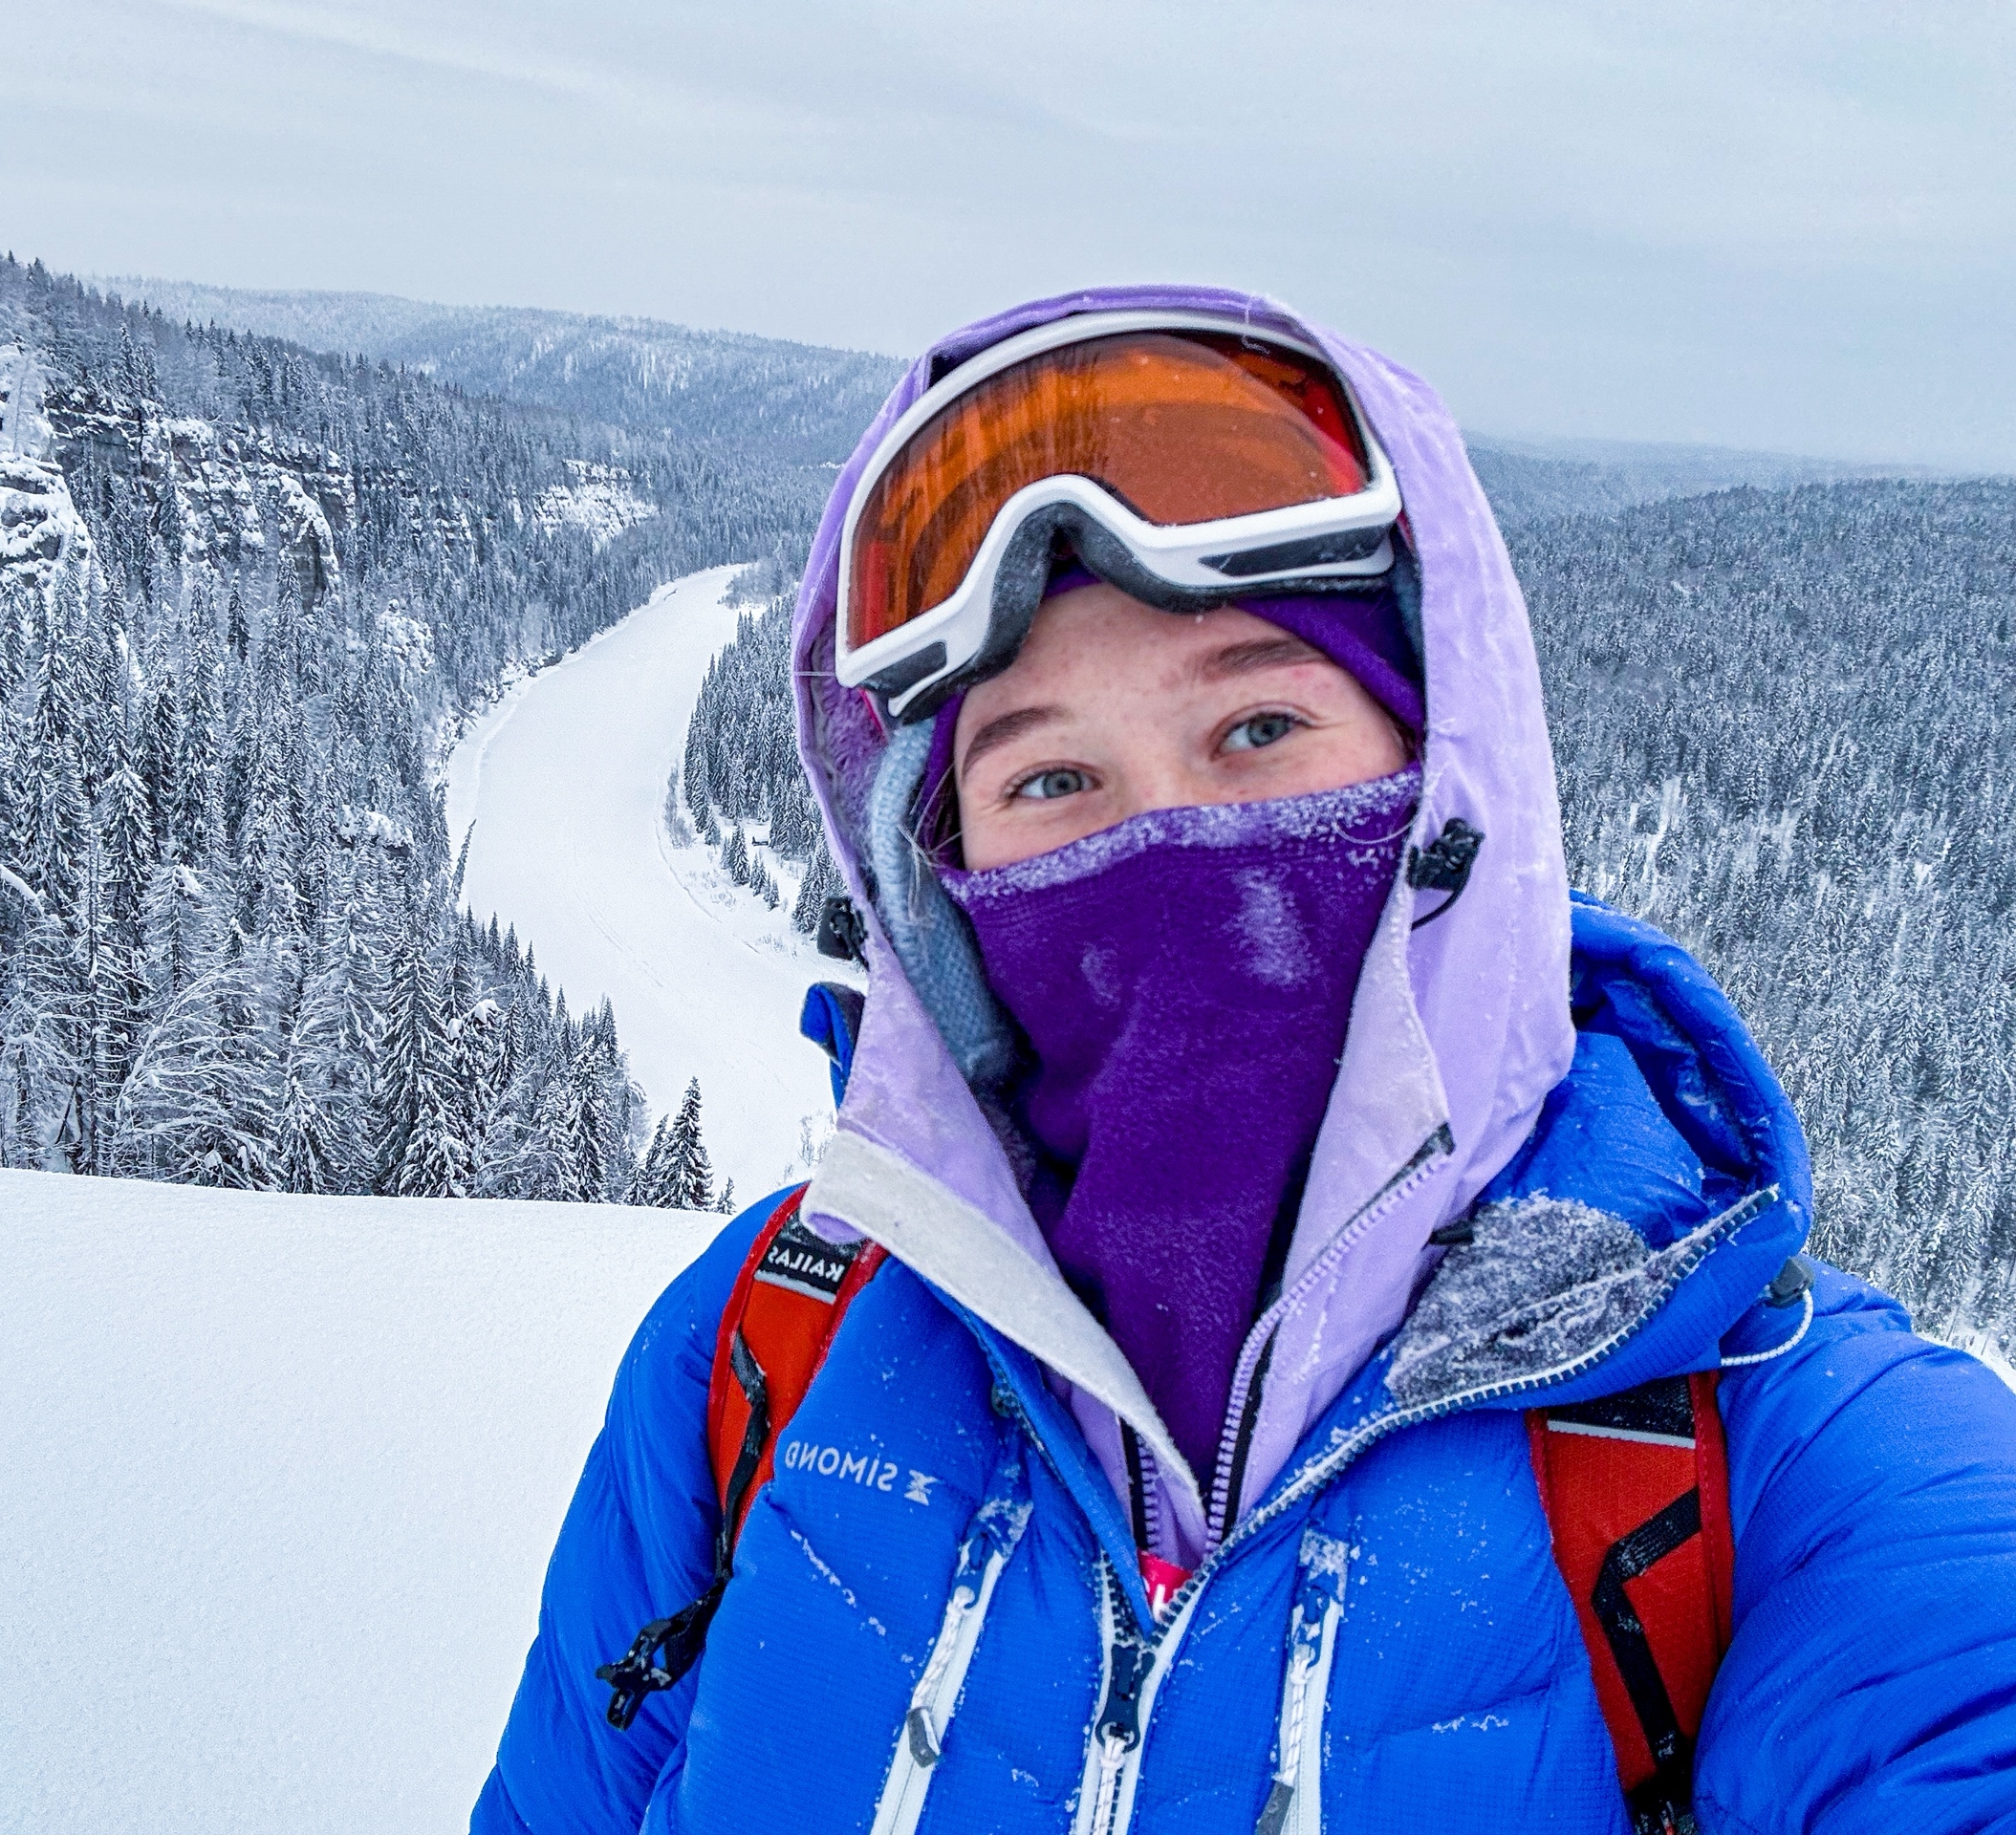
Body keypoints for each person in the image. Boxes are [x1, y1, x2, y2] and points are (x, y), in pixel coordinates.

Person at [473, 289, 2016, 1834]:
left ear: (1446, 779)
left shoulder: (1784, 1462)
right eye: (1050, 778)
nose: (1165, 837)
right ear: (938, 886)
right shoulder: (761, 1350)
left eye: (1261, 728)